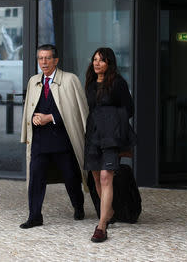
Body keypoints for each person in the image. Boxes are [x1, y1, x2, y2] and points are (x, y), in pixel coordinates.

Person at [20, 44, 89, 229]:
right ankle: (35, 216)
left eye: (48, 58)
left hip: (62, 141)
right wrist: (33, 118)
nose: (44, 62)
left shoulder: (70, 80)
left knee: (71, 178)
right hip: (39, 141)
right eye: (40, 58)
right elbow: (29, 107)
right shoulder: (34, 80)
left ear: (56, 60)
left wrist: (50, 117)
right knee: (35, 180)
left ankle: (78, 206)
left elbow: (76, 110)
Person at [84, 47, 134, 242]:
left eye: (101, 60)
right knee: (96, 178)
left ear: (109, 63)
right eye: (95, 59)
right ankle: (109, 211)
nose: (97, 63)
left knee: (106, 178)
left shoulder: (118, 83)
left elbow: (129, 109)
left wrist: (112, 122)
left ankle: (102, 226)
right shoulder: (90, 83)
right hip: (93, 135)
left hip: (111, 137)